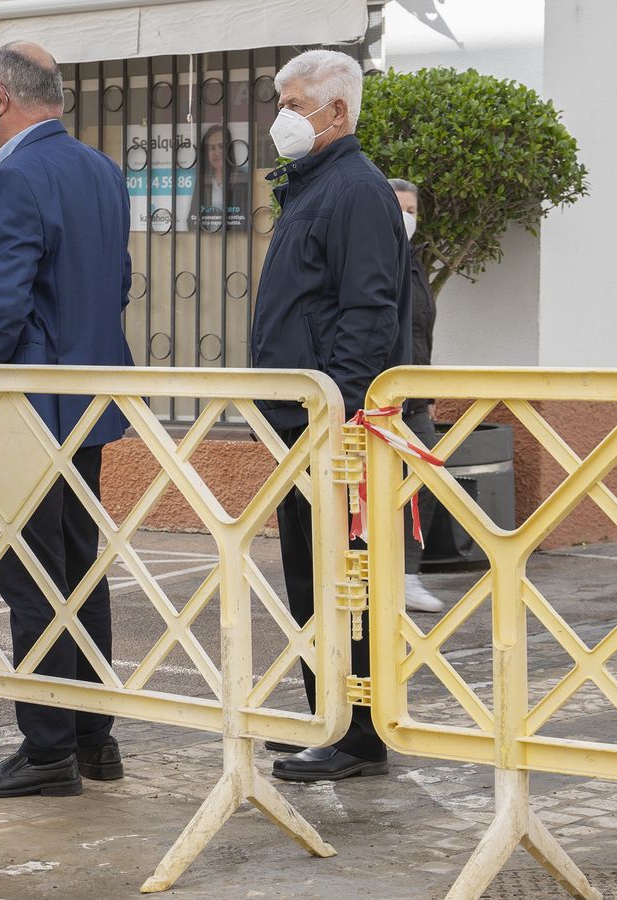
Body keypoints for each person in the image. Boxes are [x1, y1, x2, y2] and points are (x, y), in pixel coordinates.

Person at [0, 42, 135, 799]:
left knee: (31, 577)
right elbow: (118, 280)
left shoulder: (19, 173)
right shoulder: (99, 169)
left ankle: (48, 749)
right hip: (85, 400)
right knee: (79, 570)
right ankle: (93, 738)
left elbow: (2, 300)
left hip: (24, 404)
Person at [249, 49, 410, 783]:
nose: (279, 117)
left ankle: (359, 735)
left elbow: (368, 312)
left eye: (292, 103)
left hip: (331, 428)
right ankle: (329, 717)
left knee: (345, 582)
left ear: (336, 112)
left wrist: (337, 414)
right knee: (314, 581)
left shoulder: (355, 190)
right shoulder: (313, 186)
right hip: (300, 422)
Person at [390, 178, 445, 615]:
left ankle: (406, 576)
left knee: (424, 478)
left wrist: (425, 394)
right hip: (382, 395)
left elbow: (420, 331)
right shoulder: (378, 260)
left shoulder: (414, 263)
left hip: (414, 397)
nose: (406, 217)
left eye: (412, 210)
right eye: (398, 208)